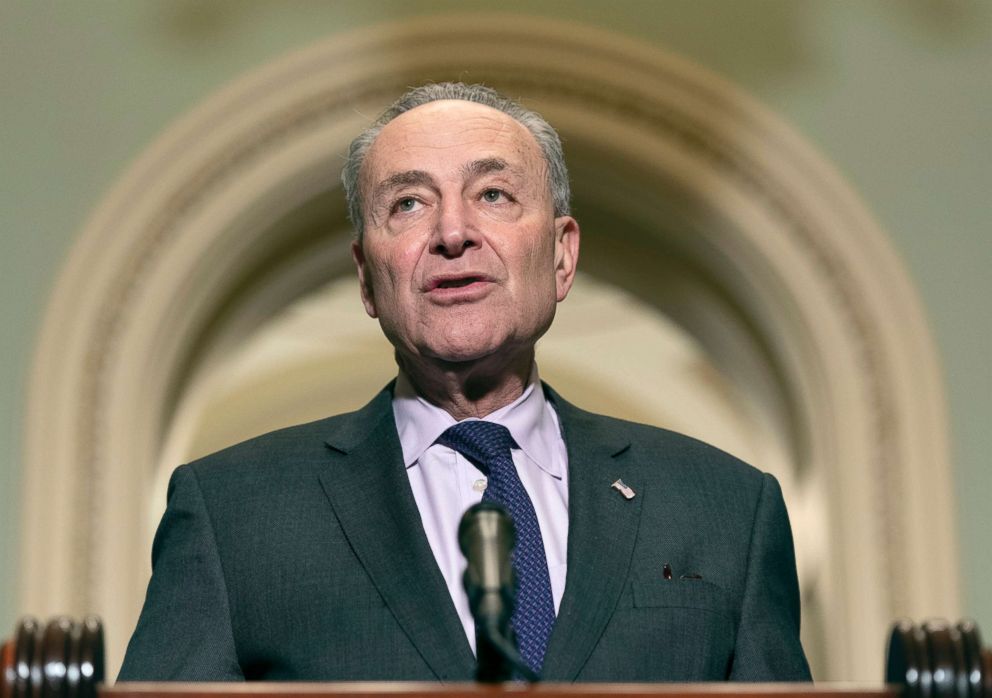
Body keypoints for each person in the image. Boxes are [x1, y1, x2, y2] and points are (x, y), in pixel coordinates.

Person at [118, 82, 811, 683]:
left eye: (493, 194)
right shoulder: (233, 514)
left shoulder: (727, 510)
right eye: (410, 204)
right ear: (367, 277)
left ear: (562, 256)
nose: (453, 231)